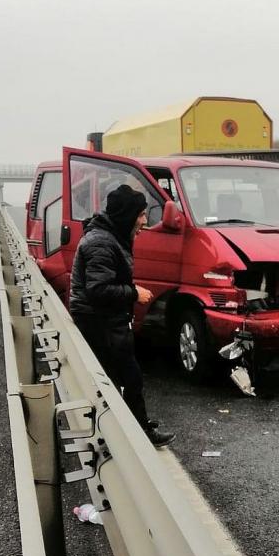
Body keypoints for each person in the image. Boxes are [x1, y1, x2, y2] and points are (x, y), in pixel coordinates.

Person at [69, 183, 175, 448]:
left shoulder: (109, 236)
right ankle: (135, 435)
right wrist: (133, 293)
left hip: (106, 319)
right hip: (98, 321)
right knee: (126, 377)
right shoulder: (102, 242)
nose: (144, 221)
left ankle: (133, 429)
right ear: (127, 215)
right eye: (141, 215)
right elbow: (98, 290)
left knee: (126, 377)